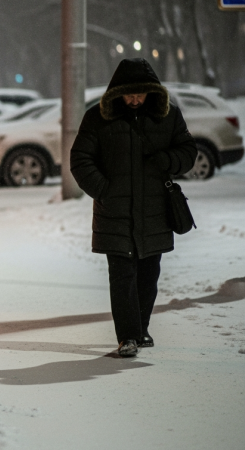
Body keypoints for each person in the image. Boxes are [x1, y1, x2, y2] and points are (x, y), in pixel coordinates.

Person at [70, 58, 197, 357]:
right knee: (122, 275)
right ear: (118, 93)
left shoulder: (169, 117)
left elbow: (188, 152)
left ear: (152, 92)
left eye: (140, 94)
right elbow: (80, 160)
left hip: (155, 212)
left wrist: (167, 160)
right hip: (114, 213)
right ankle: (128, 336)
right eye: (129, 94)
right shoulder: (98, 118)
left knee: (149, 274)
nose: (135, 99)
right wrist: (104, 191)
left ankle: (141, 328)